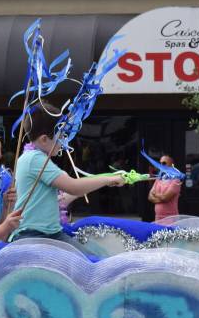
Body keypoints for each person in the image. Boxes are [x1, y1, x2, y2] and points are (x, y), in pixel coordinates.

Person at [12, 102, 125, 243]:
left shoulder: (34, 158)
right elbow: (74, 187)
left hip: (48, 233)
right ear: (44, 139)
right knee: (90, 261)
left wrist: (91, 186)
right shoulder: (35, 159)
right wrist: (107, 179)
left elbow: (59, 199)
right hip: (35, 236)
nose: (64, 141)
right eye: (61, 136)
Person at [148, 155, 181, 222]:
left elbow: (165, 198)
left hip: (171, 218)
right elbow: (149, 197)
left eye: (164, 163)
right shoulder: (159, 179)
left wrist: (155, 194)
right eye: (160, 163)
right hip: (157, 217)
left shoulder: (176, 180)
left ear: (171, 165)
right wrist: (161, 198)